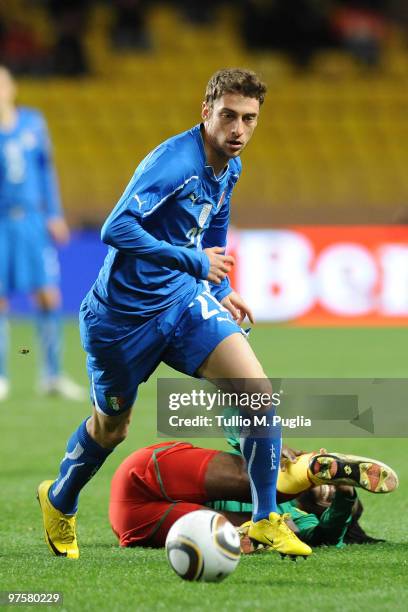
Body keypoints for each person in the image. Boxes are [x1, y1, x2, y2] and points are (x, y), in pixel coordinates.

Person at [37, 67, 310, 560]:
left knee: (257, 391)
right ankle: (60, 498)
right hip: (120, 320)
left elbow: (215, 224)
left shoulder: (230, 165)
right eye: (228, 116)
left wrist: (221, 284)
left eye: (249, 119)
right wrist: (193, 262)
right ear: (206, 112)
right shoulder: (173, 163)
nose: (238, 130)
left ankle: (267, 517)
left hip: (183, 302)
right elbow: (116, 228)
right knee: (111, 428)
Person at [108, 441, 398, 551]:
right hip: (147, 471)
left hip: (135, 521)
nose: (329, 491)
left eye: (332, 497)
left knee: (275, 528)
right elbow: (234, 418)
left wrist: (346, 497)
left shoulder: (299, 521)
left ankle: (246, 534)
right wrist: (268, 440)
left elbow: (328, 536)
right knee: (265, 475)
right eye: (335, 484)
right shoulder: (271, 455)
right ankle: (304, 470)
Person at [0, 66, 86, 402]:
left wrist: (54, 214)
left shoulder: (33, 123)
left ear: (13, 87)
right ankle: (2, 376)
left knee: (49, 295)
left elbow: (46, 171)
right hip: (1, 221)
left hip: (33, 221)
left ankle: (51, 375)